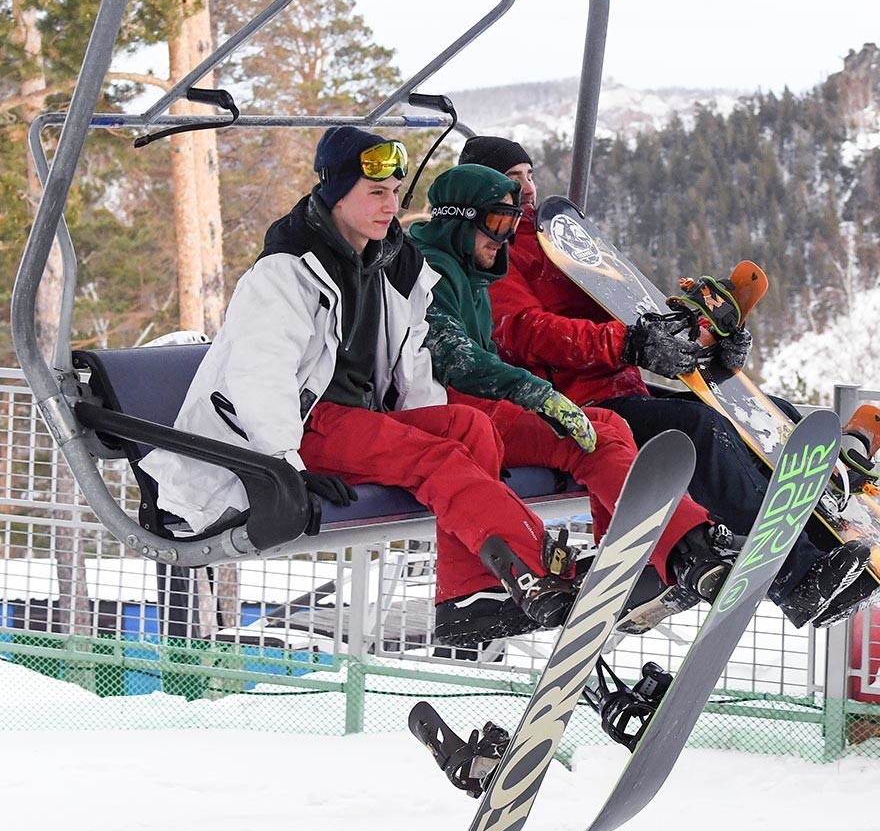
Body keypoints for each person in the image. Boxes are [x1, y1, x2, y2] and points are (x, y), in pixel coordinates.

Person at [140, 126, 585, 649]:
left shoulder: (394, 267)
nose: (389, 206)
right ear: (336, 194)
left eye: (395, 193)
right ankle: (534, 565)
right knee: (439, 459)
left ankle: (471, 596)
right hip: (300, 428)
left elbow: (414, 368)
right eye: (375, 193)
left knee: (467, 427)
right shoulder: (285, 274)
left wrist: (437, 435)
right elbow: (261, 375)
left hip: (359, 420)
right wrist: (286, 466)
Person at [462, 136, 880, 629]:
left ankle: (831, 554)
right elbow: (522, 332)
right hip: (567, 406)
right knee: (697, 430)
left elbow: (626, 307)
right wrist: (628, 345)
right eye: (514, 182)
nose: (528, 190)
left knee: (769, 418)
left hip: (618, 390)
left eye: (531, 176)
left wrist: (702, 338)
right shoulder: (495, 254)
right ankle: (795, 578)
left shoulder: (558, 242)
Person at [407, 163, 734, 635]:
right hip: (443, 412)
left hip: (479, 407)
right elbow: (457, 358)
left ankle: (633, 555)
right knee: (594, 432)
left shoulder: (471, 273)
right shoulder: (430, 272)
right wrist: (538, 394)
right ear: (461, 218)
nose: (504, 240)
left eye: (513, 227)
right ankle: (685, 546)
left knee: (604, 426)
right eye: (498, 224)